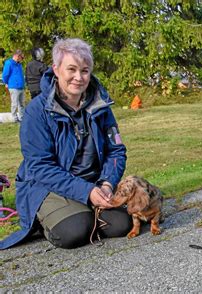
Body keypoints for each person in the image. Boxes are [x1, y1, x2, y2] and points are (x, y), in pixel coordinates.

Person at [0, 38, 132, 250]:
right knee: (75, 231)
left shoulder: (101, 106)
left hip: (93, 181)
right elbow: (40, 168)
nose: (79, 77)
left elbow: (116, 150)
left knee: (122, 225)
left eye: (85, 70)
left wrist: (106, 183)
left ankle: (85, 208)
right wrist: (87, 192)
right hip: (47, 186)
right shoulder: (36, 111)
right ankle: (49, 219)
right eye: (71, 69)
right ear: (56, 69)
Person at [2, 49, 25, 122]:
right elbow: (5, 75)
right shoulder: (9, 63)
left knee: (22, 103)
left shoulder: (19, 64)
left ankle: (22, 117)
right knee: (14, 103)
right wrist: (6, 83)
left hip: (21, 86)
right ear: (17, 56)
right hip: (13, 86)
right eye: (22, 57)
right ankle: (14, 118)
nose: (22, 59)